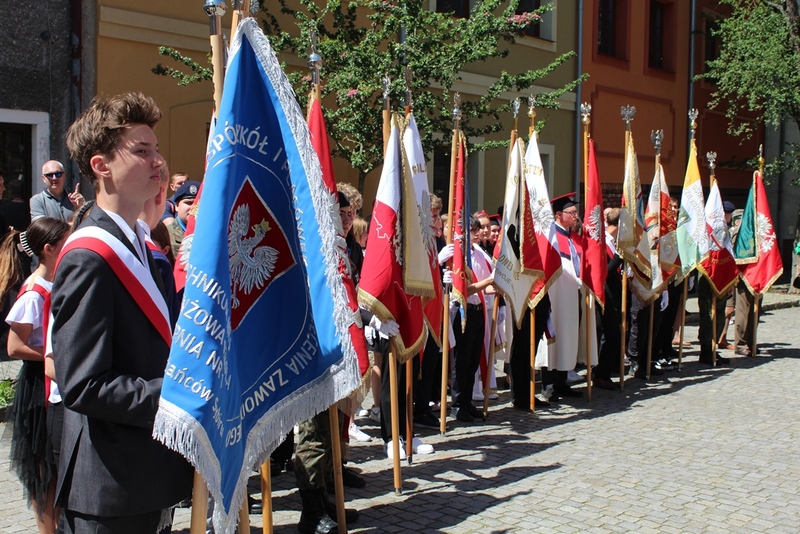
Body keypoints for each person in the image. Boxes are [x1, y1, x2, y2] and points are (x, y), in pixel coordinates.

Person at [52, 92, 192, 533]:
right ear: (102, 166)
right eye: (142, 150)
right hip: (110, 484)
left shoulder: (143, 250)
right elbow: (83, 384)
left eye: (157, 149)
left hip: (151, 474)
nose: (158, 162)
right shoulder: (89, 256)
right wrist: (178, 395)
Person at [2, 217, 71, 534]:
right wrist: (52, 354)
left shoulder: (55, 284)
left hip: (51, 379)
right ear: (49, 248)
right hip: (37, 385)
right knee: (44, 470)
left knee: (55, 466)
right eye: (65, 242)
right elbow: (14, 346)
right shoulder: (34, 292)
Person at [536, 194, 596, 398]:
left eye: (576, 213)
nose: (575, 216)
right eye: (571, 213)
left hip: (572, 296)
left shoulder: (575, 238)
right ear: (559, 215)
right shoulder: (551, 236)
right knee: (553, 337)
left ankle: (562, 381)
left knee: (568, 336)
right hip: (555, 295)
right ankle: (548, 384)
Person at [593, 208, 623, 390]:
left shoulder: (613, 241)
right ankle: (601, 375)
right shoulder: (602, 242)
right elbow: (604, 271)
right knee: (610, 334)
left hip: (614, 294)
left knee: (613, 335)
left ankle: (605, 372)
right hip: (604, 294)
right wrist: (620, 256)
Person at [166, 179, 200, 257]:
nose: (193, 208)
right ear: (177, 206)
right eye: (189, 203)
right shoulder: (166, 235)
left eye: (197, 203)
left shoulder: (212, 233)